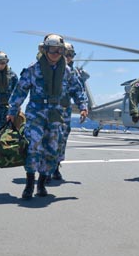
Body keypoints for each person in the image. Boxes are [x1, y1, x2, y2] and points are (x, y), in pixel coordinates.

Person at [7, 34, 88, 199]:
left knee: (51, 149)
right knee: (33, 147)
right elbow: (20, 91)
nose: (56, 53)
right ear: (45, 50)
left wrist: (83, 106)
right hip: (36, 113)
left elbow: (77, 90)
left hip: (56, 114)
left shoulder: (67, 71)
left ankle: (42, 184)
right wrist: (12, 111)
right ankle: (30, 184)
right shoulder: (33, 69)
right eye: (52, 49)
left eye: (59, 50)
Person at [50, 41, 90, 181]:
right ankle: (46, 168)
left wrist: (83, 107)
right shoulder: (48, 67)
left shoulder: (72, 72)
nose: (69, 57)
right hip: (47, 110)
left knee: (62, 139)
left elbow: (78, 91)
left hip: (65, 111)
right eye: (66, 54)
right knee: (48, 138)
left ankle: (56, 165)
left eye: (71, 55)